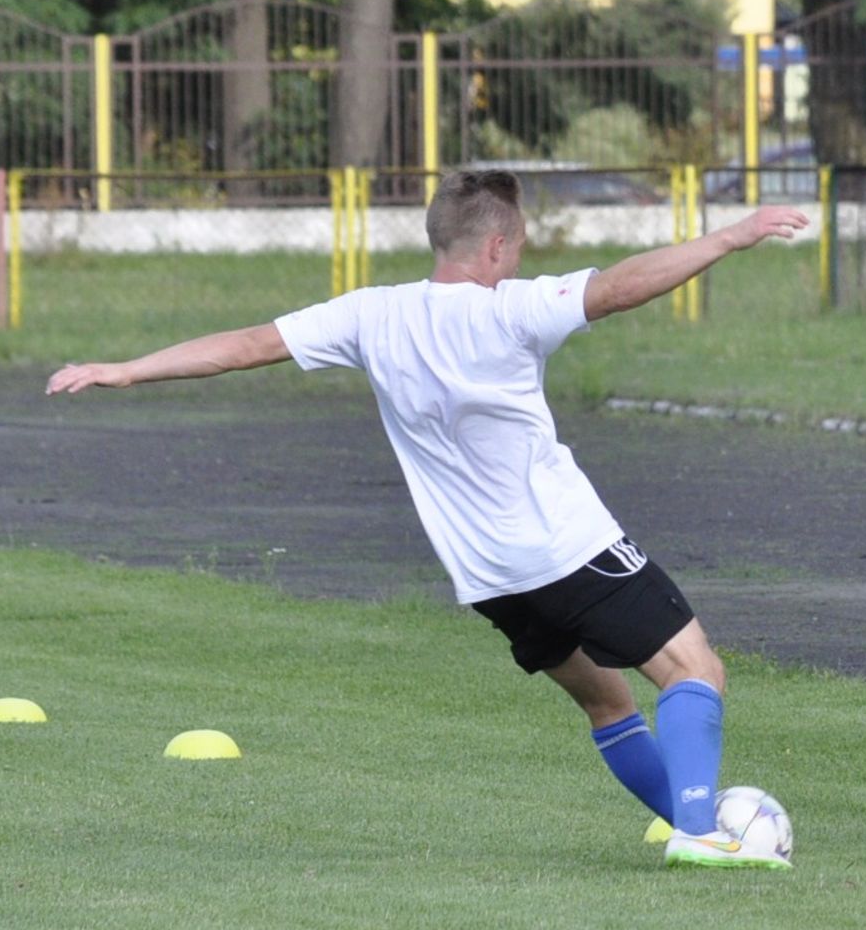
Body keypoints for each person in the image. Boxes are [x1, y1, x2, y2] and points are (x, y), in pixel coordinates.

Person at [46, 169, 809, 871]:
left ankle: (690, 824)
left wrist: (125, 369)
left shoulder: (369, 313)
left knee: (608, 704)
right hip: (567, 546)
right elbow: (618, 288)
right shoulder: (512, 310)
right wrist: (730, 236)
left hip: (488, 578)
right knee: (695, 669)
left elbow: (245, 346)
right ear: (497, 245)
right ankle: (700, 831)